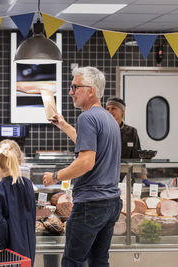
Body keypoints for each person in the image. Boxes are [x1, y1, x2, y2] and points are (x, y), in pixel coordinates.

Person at [43, 67, 122, 267]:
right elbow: (88, 145)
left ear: (91, 90)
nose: (71, 92)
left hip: (91, 205)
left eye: (75, 87)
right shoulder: (109, 119)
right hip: (111, 202)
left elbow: (86, 162)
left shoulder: (86, 117)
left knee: (72, 262)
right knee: (99, 261)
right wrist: (64, 125)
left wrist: (55, 176)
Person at [0, 139, 36, 266]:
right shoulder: (27, 184)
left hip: (8, 252)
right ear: (20, 161)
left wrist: (0, 243)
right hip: (27, 247)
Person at [106, 97, 163, 187]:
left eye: (113, 108)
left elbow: (138, 157)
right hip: (106, 180)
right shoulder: (102, 131)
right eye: (107, 109)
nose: (109, 112)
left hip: (127, 180)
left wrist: (145, 179)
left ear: (122, 111)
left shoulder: (131, 132)